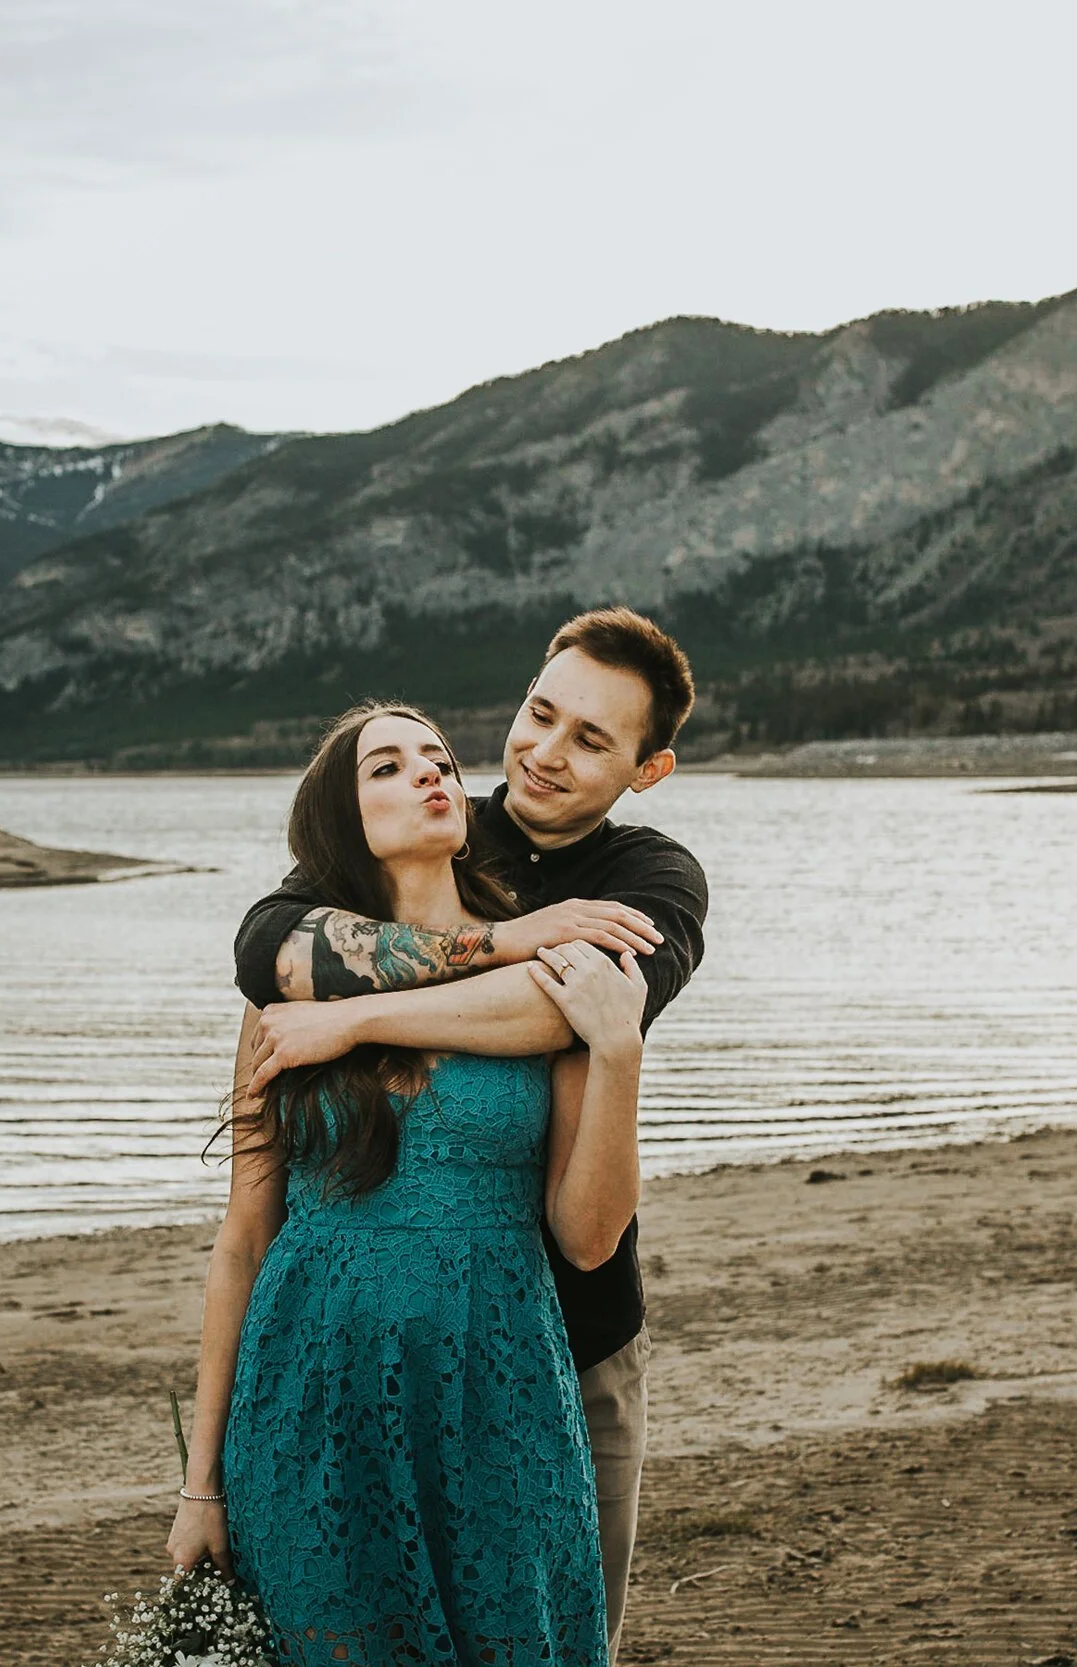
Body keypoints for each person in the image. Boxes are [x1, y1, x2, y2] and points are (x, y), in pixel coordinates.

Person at [229, 608, 708, 1655]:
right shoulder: (431, 815)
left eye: (591, 739)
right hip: (350, 1354)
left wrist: (354, 1011)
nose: (544, 751)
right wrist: (505, 935)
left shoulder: (652, 880)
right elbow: (270, 945)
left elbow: (562, 1011)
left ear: (648, 766)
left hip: (565, 1349)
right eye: (541, 714)